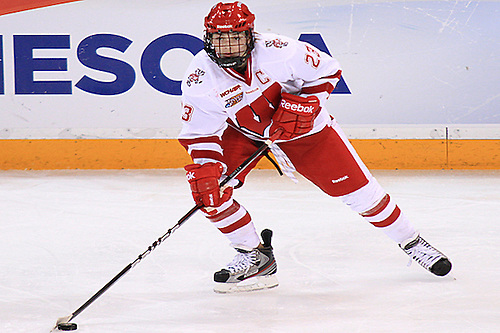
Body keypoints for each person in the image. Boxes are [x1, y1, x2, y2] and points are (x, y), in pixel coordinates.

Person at [178, 1, 452, 293]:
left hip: (307, 133)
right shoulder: (199, 77)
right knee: (210, 190)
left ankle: (411, 241)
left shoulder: (279, 50)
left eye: (235, 37)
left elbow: (328, 70)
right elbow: (200, 134)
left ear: (250, 36)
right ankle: (255, 256)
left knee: (364, 197)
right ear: (208, 38)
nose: (229, 46)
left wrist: (304, 104)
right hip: (245, 133)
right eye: (220, 38)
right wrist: (208, 168)